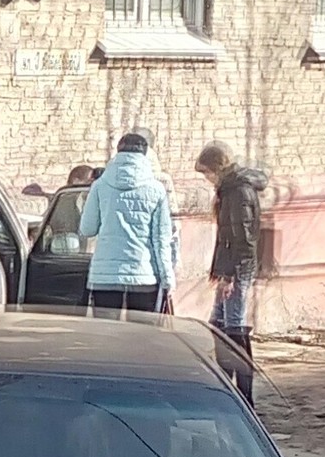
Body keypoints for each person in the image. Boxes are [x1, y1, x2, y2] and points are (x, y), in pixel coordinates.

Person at [196, 142, 269, 408]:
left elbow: (243, 238)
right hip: (231, 266)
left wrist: (229, 276)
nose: (207, 179)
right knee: (219, 323)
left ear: (218, 168)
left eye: (207, 173)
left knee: (233, 326)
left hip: (237, 268)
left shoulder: (238, 192)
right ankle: (227, 385)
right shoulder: (230, 190)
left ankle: (243, 393)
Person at [79, 131, 177, 314]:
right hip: (144, 275)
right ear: (145, 154)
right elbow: (162, 240)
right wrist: (167, 278)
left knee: (107, 336)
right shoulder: (156, 190)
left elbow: (87, 229)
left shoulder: (99, 185)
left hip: (105, 276)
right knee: (140, 337)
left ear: (117, 152)